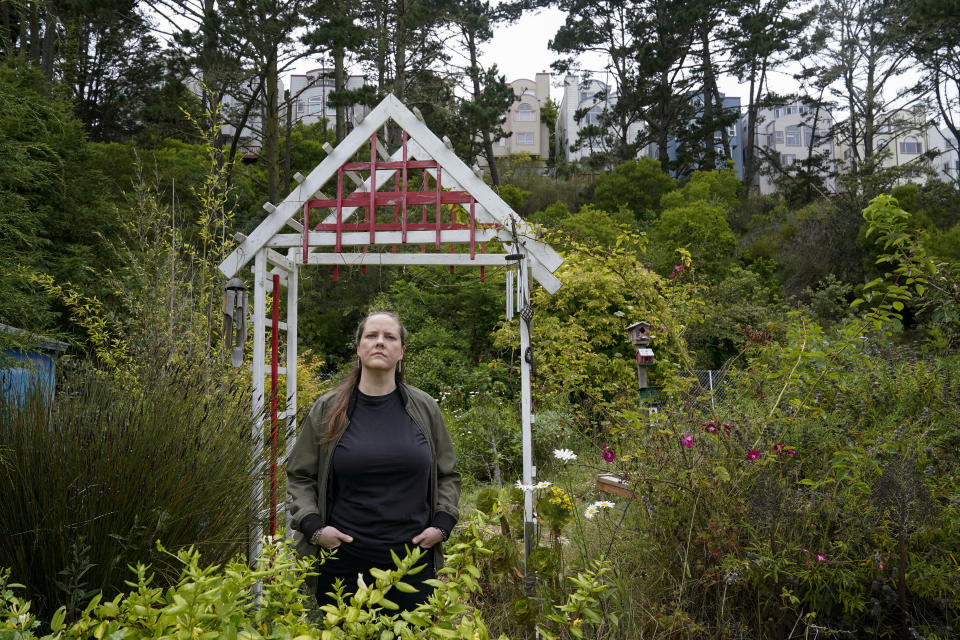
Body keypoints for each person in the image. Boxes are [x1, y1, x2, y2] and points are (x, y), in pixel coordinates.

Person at [286, 311, 460, 610]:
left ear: (401, 351)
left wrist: (442, 525)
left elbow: (447, 475)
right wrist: (314, 528)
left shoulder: (425, 408)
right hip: (342, 563)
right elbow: (300, 475)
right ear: (358, 347)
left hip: (411, 564)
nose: (380, 342)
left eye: (390, 337)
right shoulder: (328, 408)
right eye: (371, 336)